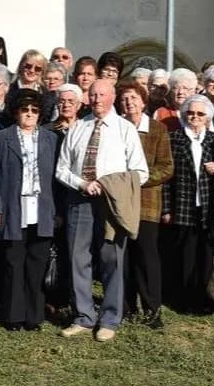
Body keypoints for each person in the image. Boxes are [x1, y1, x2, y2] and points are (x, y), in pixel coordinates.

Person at [55, 79, 146, 342]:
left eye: (102, 95)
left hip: (111, 204)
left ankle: (110, 319)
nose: (96, 99)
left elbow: (141, 172)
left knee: (112, 260)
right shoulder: (78, 128)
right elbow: (62, 168)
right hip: (79, 200)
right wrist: (82, 183)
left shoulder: (125, 129)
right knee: (76, 258)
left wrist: (110, 186)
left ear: (113, 96)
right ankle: (83, 316)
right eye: (92, 95)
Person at [0, 92, 59, 331]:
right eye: (25, 109)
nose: (29, 114)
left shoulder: (50, 139)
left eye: (34, 110)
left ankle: (34, 316)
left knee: (36, 265)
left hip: (42, 208)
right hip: (13, 209)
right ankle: (13, 316)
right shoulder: (2, 138)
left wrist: (58, 212)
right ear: (16, 112)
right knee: (14, 264)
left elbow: (56, 180)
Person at [118, 81, 173, 329]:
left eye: (133, 98)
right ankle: (126, 306)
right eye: (124, 98)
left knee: (147, 257)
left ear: (143, 101)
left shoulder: (157, 129)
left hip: (147, 202)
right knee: (124, 255)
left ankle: (152, 309)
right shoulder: (115, 128)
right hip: (119, 202)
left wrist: (137, 179)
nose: (129, 102)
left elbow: (166, 167)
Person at [162, 93, 214, 313]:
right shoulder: (174, 138)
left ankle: (204, 298)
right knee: (185, 254)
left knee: (206, 254)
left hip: (207, 207)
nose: (194, 117)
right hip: (183, 206)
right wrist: (167, 208)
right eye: (190, 113)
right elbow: (167, 177)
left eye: (200, 114)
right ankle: (184, 300)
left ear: (207, 117)